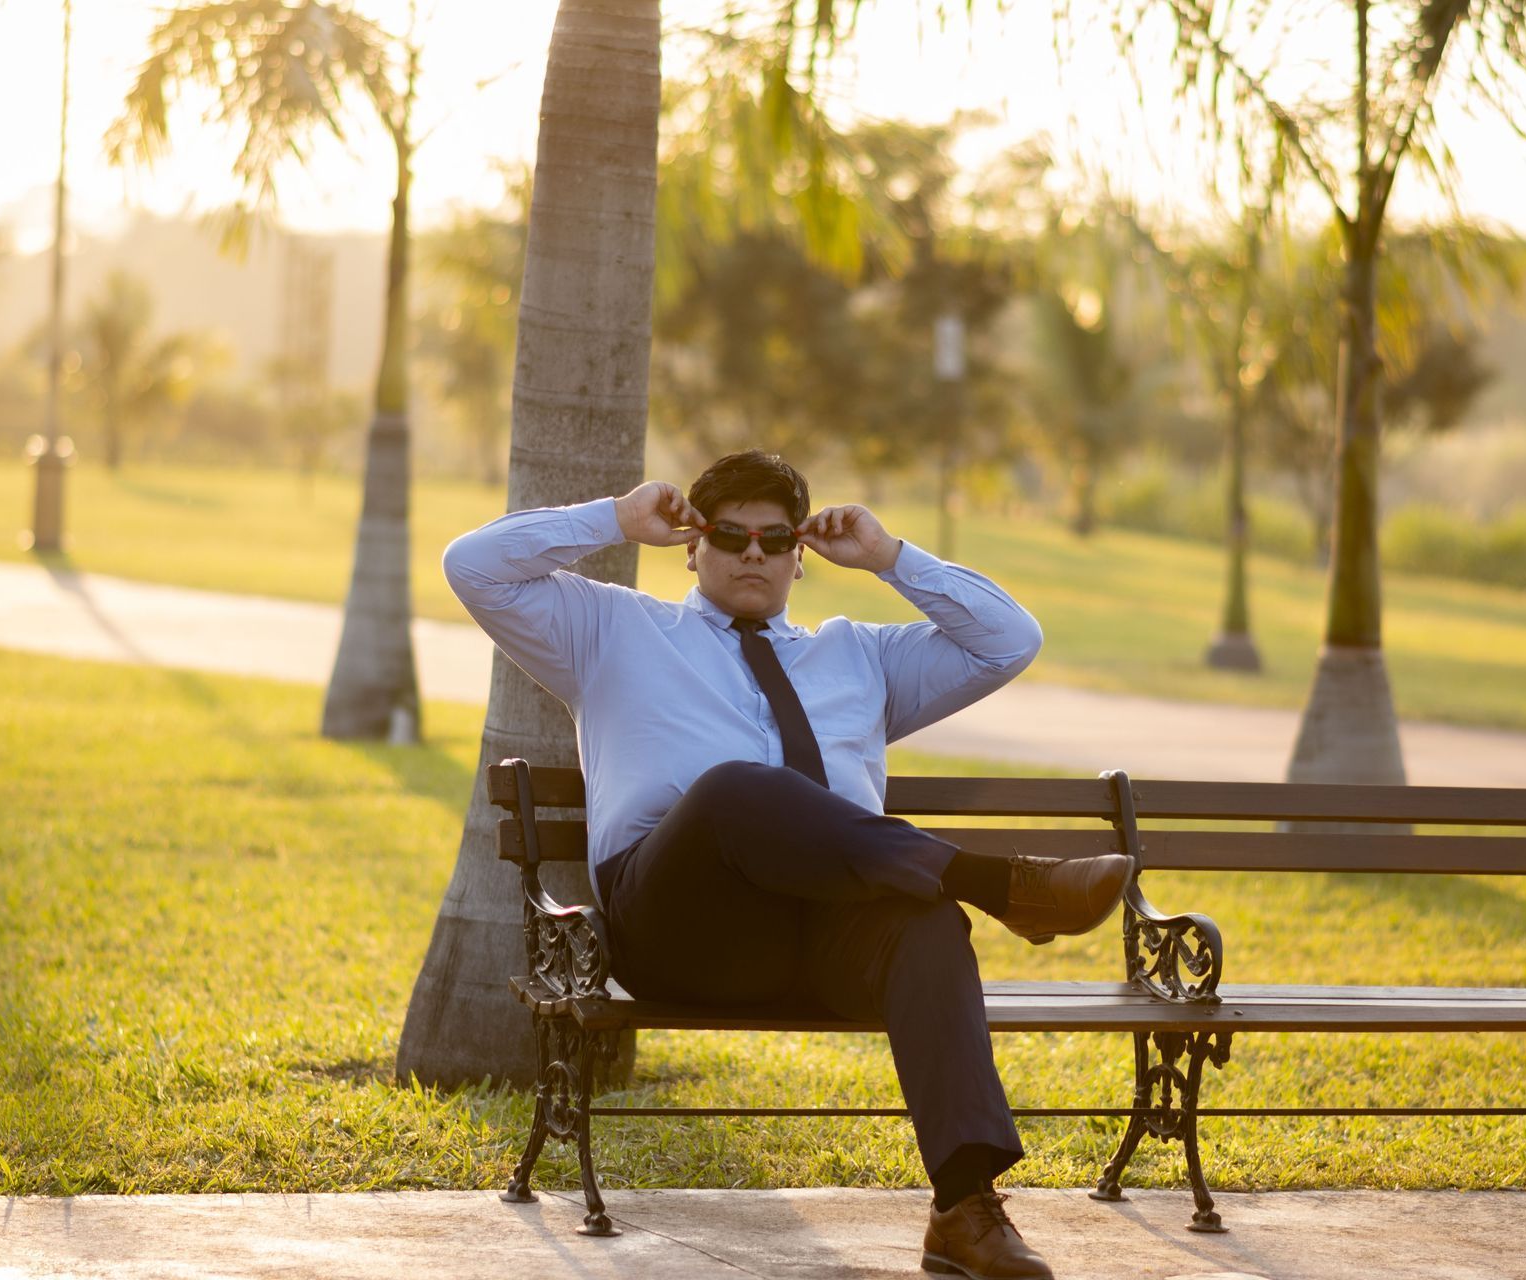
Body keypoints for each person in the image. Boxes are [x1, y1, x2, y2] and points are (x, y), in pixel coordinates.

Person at [445, 450, 1130, 1280]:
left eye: (775, 538)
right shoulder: (612, 632)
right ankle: (1000, 885)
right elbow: (473, 566)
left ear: (801, 556)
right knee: (734, 789)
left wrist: (889, 556)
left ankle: (964, 1209)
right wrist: (616, 520)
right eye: (729, 534)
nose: (753, 553)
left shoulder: (860, 657)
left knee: (924, 919)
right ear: (692, 546)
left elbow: (1010, 641)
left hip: (826, 938)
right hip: (683, 926)